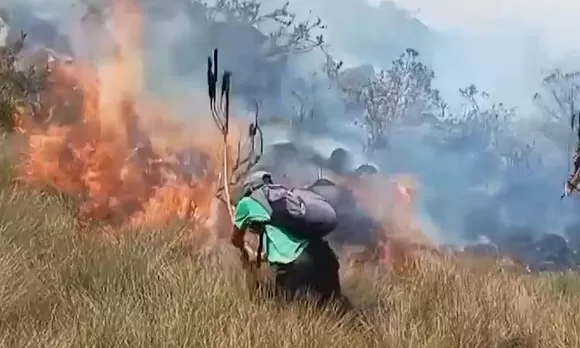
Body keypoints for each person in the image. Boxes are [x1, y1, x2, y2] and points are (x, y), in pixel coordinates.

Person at [231, 171, 348, 308]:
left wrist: (243, 248)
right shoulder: (286, 201)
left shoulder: (248, 203)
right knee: (335, 306)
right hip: (323, 254)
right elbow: (287, 243)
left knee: (291, 310)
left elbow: (235, 239)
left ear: (249, 189)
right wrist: (258, 256)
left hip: (296, 265)